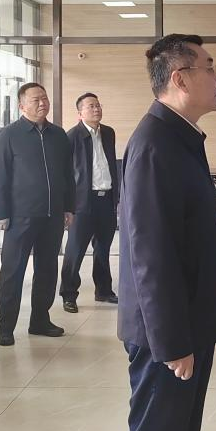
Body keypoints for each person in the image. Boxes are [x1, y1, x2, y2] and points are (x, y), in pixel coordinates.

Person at [111, 34, 216, 431]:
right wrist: (170, 341)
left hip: (188, 323)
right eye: (209, 68)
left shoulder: (180, 136)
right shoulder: (154, 144)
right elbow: (149, 253)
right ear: (179, 78)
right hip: (168, 333)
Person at [0, 82, 74, 343]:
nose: (42, 103)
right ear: (21, 105)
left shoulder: (58, 134)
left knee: (47, 269)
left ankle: (40, 320)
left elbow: (68, 174)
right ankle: (6, 327)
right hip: (20, 216)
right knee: (12, 271)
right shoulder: (9, 135)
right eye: (36, 99)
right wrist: (1, 213)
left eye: (44, 98)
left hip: (52, 215)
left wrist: (69, 207)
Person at [60, 92, 120, 313]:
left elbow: (110, 165)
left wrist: (117, 197)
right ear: (80, 112)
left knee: (103, 248)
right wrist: (67, 205)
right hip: (82, 202)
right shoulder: (71, 136)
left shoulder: (109, 133)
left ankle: (103, 290)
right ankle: (68, 294)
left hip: (106, 199)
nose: (96, 109)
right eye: (91, 106)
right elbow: (65, 174)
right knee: (75, 250)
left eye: (98, 105)